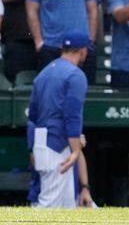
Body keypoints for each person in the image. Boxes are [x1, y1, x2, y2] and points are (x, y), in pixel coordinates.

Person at [27, 30, 92, 209]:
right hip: (58, 145)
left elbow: (32, 117)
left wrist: (32, 148)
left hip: (41, 143)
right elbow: (72, 115)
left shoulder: (43, 74)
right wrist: (75, 151)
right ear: (82, 51)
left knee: (69, 206)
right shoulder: (75, 75)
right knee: (49, 209)